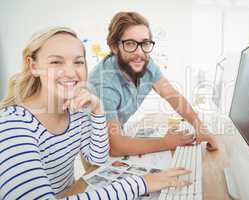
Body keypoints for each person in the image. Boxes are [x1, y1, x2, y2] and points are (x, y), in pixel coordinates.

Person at [0, 26, 192, 200]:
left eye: (78, 62)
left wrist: (97, 110)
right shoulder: (13, 125)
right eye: (56, 62)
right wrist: (143, 183)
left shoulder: (74, 113)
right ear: (33, 66)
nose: (70, 72)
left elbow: (97, 160)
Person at [89, 11, 218, 157]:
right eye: (130, 44)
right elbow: (116, 147)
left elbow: (172, 95)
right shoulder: (104, 85)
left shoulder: (145, 62)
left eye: (144, 43)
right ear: (113, 46)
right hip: (95, 147)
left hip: (116, 134)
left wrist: (199, 126)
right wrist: (166, 143)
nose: (139, 52)